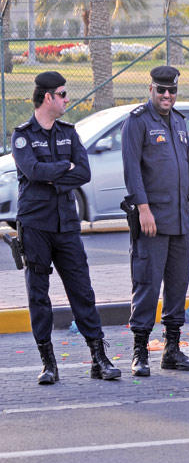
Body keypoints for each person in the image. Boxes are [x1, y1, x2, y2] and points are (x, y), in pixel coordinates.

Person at [11, 71, 120, 384]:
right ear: (48, 97)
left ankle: (99, 358)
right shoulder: (22, 136)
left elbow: (83, 172)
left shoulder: (69, 133)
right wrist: (64, 168)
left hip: (66, 225)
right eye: (62, 94)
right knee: (38, 294)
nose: (67, 99)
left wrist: (51, 175)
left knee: (82, 291)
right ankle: (48, 363)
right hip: (35, 225)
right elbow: (31, 170)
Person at [121, 66, 189, 376]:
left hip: (180, 220)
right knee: (147, 285)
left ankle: (172, 350)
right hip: (152, 219)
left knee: (178, 286)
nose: (167, 95)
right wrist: (143, 209)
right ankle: (140, 352)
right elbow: (132, 170)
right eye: (161, 90)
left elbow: (186, 169)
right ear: (150, 89)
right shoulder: (137, 122)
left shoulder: (180, 122)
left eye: (172, 91)